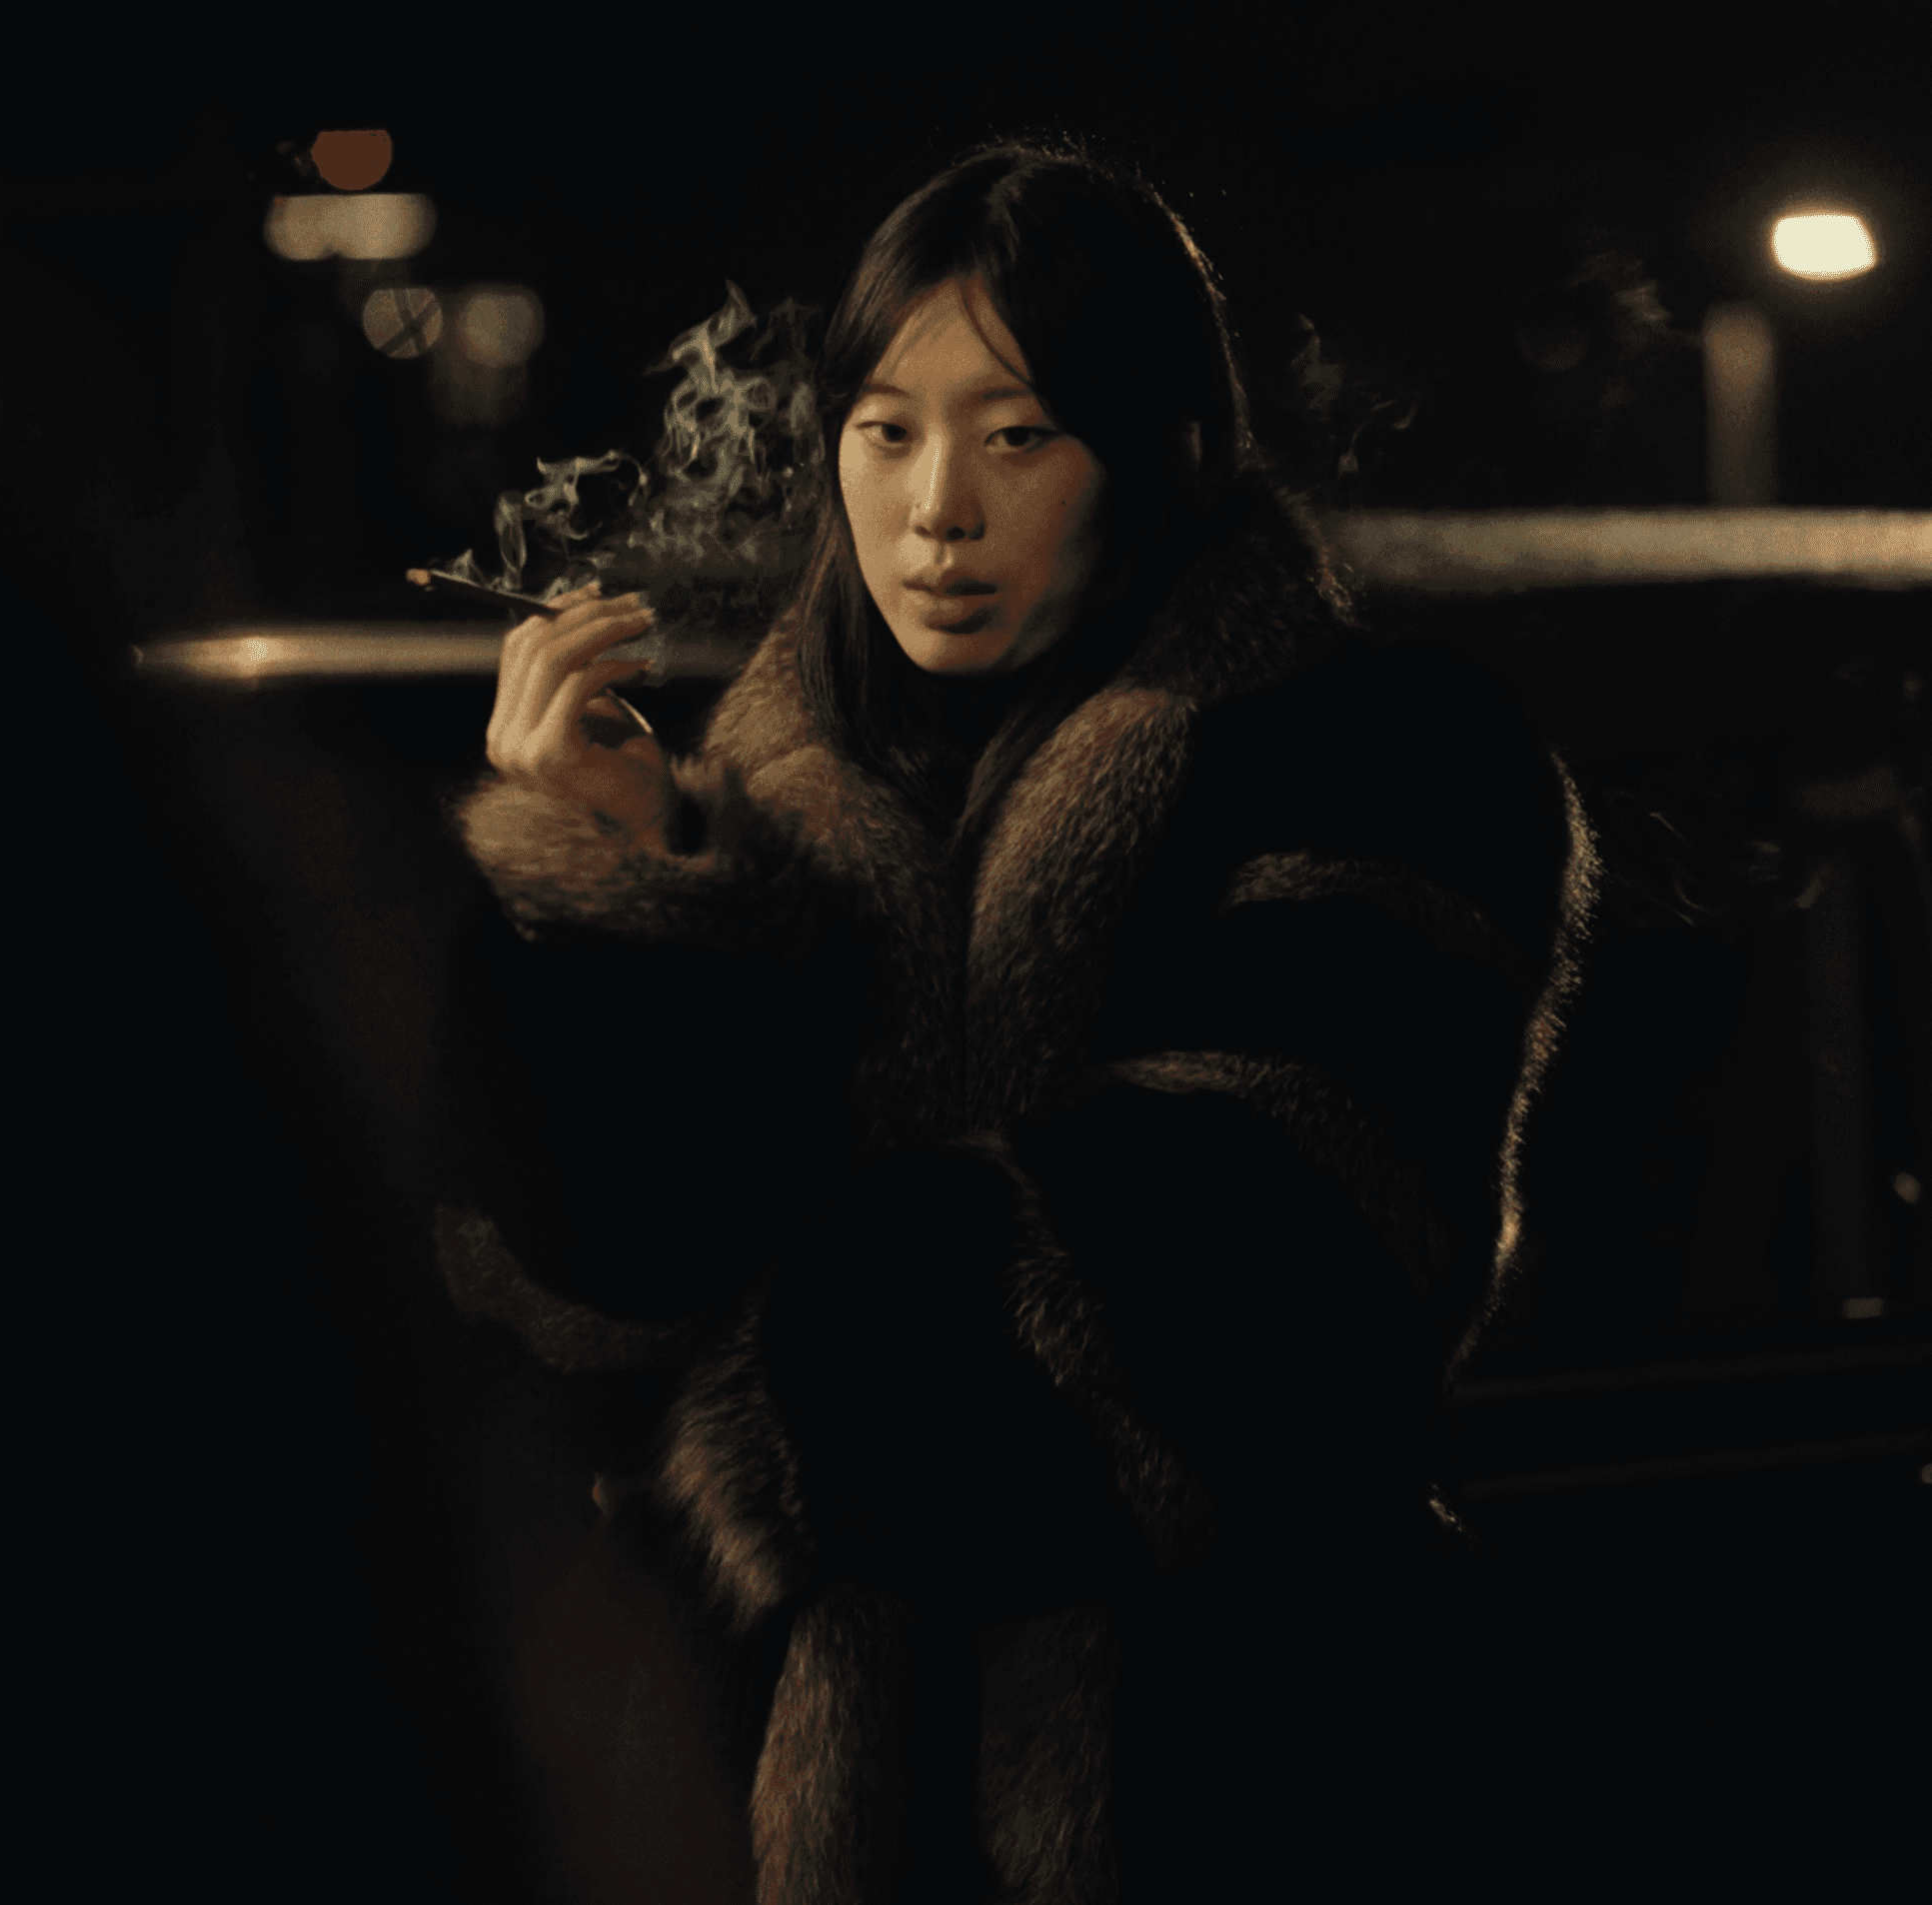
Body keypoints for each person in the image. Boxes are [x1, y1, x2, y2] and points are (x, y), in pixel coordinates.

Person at [432, 135, 1597, 1905]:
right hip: (747, 1812)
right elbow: (554, 1304)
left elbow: (1236, 1295)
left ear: (1165, 449)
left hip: (1243, 1776)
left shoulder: (1384, 757)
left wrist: (722, 1419)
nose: (935, 509)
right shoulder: (763, 798)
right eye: (884, 428)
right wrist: (631, 882)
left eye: (1019, 433)